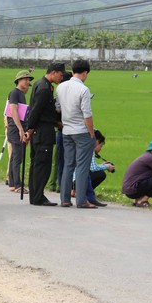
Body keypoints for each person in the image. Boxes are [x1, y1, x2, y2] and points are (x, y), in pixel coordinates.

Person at [56, 59, 97, 209]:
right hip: (81, 131)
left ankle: (65, 199)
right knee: (82, 166)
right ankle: (81, 200)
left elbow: (58, 108)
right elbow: (87, 114)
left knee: (68, 164)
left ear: (72, 71)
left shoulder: (60, 87)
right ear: (85, 73)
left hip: (66, 131)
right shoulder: (83, 90)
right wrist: (91, 132)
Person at [24, 62, 65, 206]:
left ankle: (35, 196)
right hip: (42, 131)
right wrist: (29, 129)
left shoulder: (39, 84)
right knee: (42, 165)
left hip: (39, 130)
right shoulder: (45, 88)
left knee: (37, 164)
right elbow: (36, 110)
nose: (61, 78)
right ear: (53, 72)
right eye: (60, 75)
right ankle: (38, 196)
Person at [122, 139, 152, 207]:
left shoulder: (146, 156)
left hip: (129, 190)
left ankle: (137, 200)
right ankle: (143, 201)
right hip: (134, 189)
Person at [6, 70, 33, 193]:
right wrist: (20, 129)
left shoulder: (21, 94)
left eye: (29, 80)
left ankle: (12, 182)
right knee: (17, 156)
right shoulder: (14, 93)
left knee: (15, 157)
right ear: (18, 80)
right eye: (25, 79)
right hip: (15, 128)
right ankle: (17, 184)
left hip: (19, 127)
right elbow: (13, 110)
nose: (28, 82)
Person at [77, 129, 114, 207]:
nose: (100, 149)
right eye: (101, 146)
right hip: (80, 179)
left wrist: (103, 165)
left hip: (74, 178)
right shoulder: (90, 149)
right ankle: (90, 197)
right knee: (101, 174)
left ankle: (80, 193)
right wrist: (107, 166)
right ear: (96, 141)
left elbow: (90, 166)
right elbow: (93, 168)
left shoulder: (82, 146)